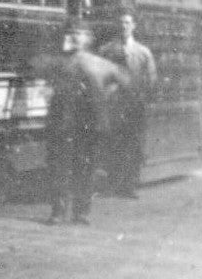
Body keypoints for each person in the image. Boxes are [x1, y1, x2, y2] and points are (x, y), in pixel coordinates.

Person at [39, 22, 130, 225]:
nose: (76, 37)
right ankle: (59, 211)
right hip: (63, 124)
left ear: (89, 39)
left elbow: (126, 81)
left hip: (88, 125)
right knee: (60, 168)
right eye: (72, 33)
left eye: (80, 34)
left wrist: (109, 99)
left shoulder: (99, 63)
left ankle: (80, 212)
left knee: (84, 169)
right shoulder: (58, 63)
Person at [98, 12, 158, 198]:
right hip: (113, 105)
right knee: (113, 144)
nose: (124, 26)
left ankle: (129, 186)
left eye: (127, 22)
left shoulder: (143, 52)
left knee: (133, 145)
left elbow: (151, 79)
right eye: (121, 22)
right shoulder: (106, 50)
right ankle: (112, 184)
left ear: (133, 26)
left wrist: (141, 97)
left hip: (134, 105)